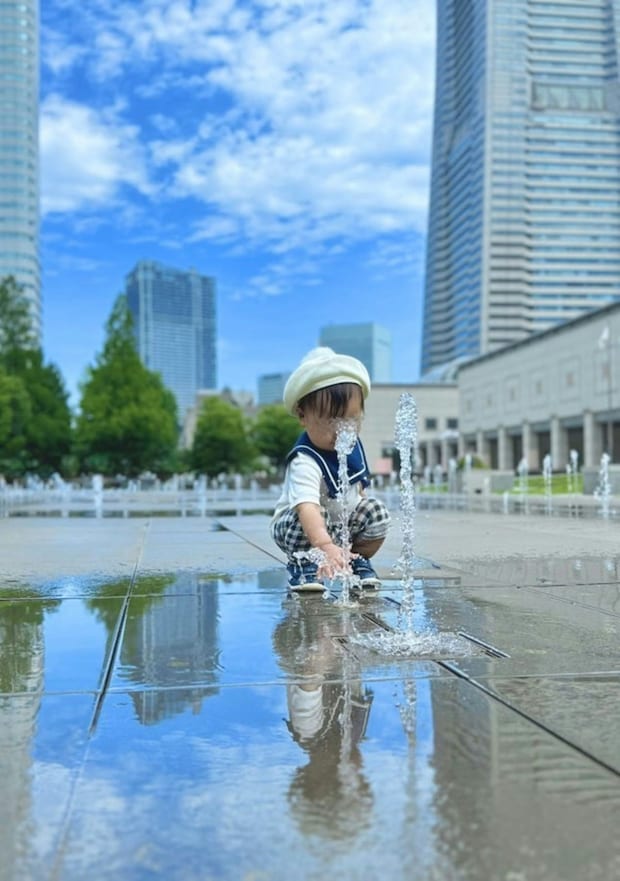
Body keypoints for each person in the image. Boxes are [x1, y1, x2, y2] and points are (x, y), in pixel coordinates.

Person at [270, 346, 391, 591]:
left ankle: (354, 560)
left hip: (337, 529)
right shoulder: (305, 460)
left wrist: (361, 502)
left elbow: (358, 490)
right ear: (303, 416)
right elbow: (307, 508)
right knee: (317, 513)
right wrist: (324, 545)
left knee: (376, 511)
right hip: (299, 527)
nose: (342, 429)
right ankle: (303, 565)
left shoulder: (352, 447)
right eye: (331, 420)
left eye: (351, 419)